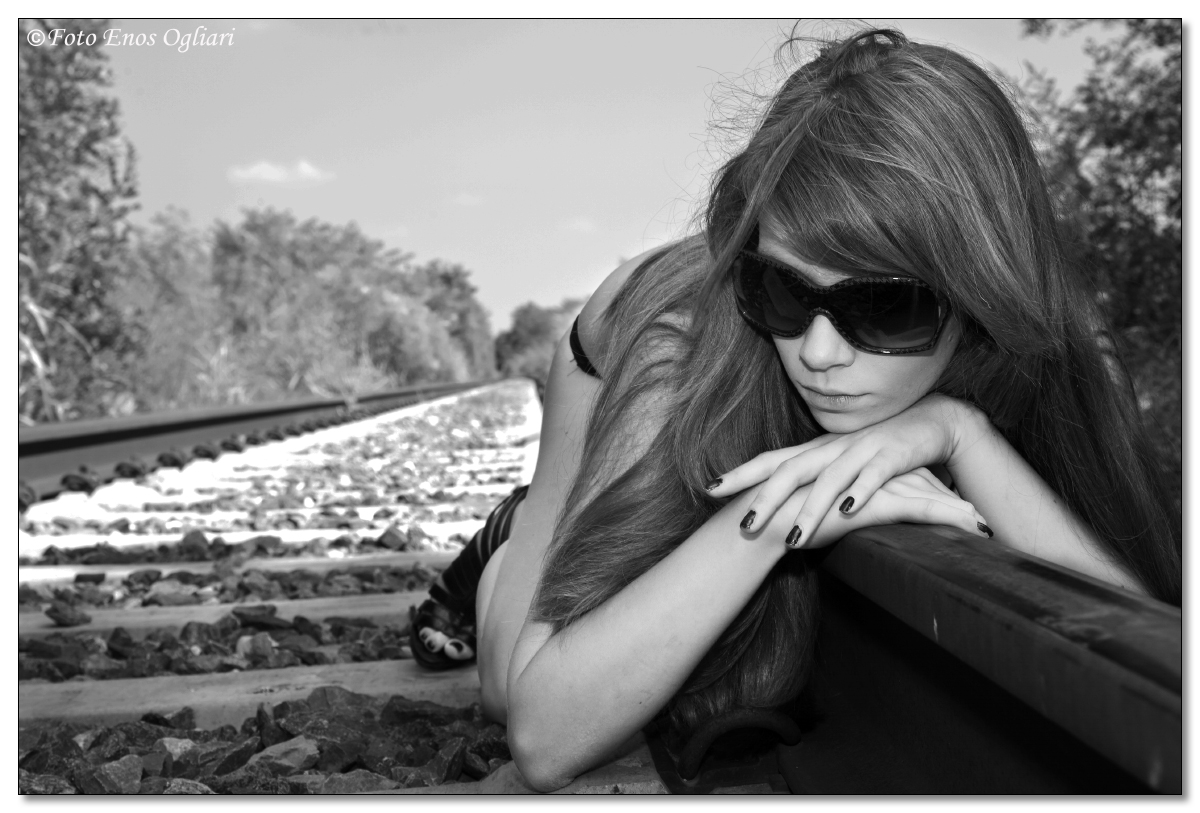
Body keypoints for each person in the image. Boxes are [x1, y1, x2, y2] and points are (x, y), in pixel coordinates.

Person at [408, 27, 1182, 791]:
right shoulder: (681, 345)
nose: (817, 351)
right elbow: (542, 734)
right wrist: (782, 514)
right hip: (607, 355)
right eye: (782, 287)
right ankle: (513, 531)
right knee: (503, 678)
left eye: (886, 306)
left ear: (981, 292)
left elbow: (1145, 653)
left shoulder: (1060, 342)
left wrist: (959, 431)